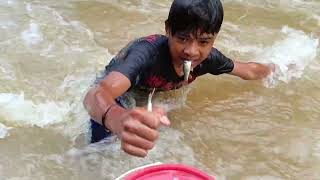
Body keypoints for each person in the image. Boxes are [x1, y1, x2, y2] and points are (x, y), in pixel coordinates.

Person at [83, 0, 274, 157]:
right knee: (102, 151)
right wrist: (118, 118)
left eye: (204, 41)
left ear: (214, 39)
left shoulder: (209, 59)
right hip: (121, 95)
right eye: (182, 38)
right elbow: (96, 94)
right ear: (168, 30)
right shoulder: (145, 54)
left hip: (153, 91)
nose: (191, 51)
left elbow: (250, 71)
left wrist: (283, 68)